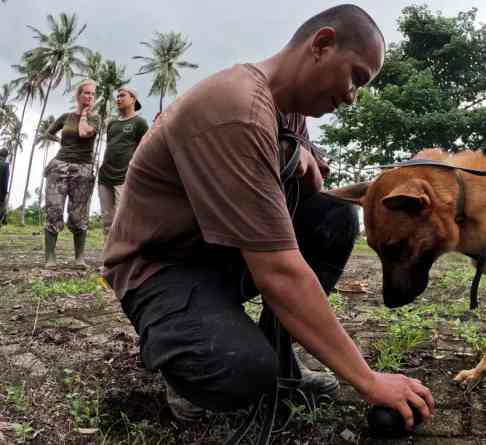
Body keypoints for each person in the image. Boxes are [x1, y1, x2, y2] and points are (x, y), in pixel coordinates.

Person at [103, 4, 434, 430]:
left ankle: (284, 366)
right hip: (161, 269)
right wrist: (368, 381)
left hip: (217, 254)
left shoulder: (291, 109)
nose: (354, 95)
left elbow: (308, 187)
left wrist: (300, 154)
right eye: (356, 76)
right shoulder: (236, 108)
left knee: (333, 217)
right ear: (322, 44)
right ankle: (183, 364)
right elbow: (278, 269)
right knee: (241, 371)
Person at [43, 79, 101, 268]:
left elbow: (84, 133)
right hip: (60, 165)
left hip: (83, 168)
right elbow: (48, 132)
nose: (90, 97)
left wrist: (84, 114)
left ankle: (79, 258)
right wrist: (61, 141)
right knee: (54, 209)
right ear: (78, 95)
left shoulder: (95, 118)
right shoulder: (65, 117)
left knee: (78, 214)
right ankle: (50, 257)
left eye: (93, 94)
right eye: (86, 93)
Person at [97, 87, 149, 235]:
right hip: (104, 177)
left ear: (133, 99)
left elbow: (144, 149)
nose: (118, 99)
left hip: (125, 177)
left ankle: (124, 255)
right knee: (107, 220)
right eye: (117, 96)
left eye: (122, 96)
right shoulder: (112, 124)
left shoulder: (139, 123)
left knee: (123, 218)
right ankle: (109, 256)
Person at [0, 148, 10, 225]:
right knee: (4, 208)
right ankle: (4, 219)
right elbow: (5, 183)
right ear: (6, 156)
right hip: (0, 194)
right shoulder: (6, 165)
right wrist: (4, 197)